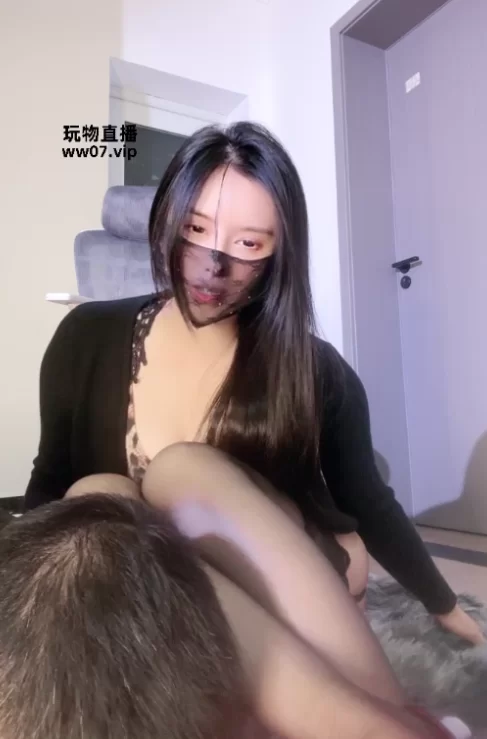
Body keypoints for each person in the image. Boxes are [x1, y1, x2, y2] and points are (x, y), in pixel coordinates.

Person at [25, 121, 483, 646]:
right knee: (96, 497)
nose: (212, 266)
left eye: (247, 243)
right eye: (195, 229)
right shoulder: (86, 336)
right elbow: (49, 482)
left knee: (181, 476)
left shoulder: (315, 370)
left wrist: (447, 608)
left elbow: (370, 500)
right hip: (147, 588)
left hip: (277, 580)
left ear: (278, 254)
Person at [0, 493, 460, 739]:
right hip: (165, 564)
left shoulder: (314, 373)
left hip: (193, 553)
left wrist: (440, 600)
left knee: (106, 502)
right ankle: (359, 722)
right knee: (126, 499)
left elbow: (364, 495)